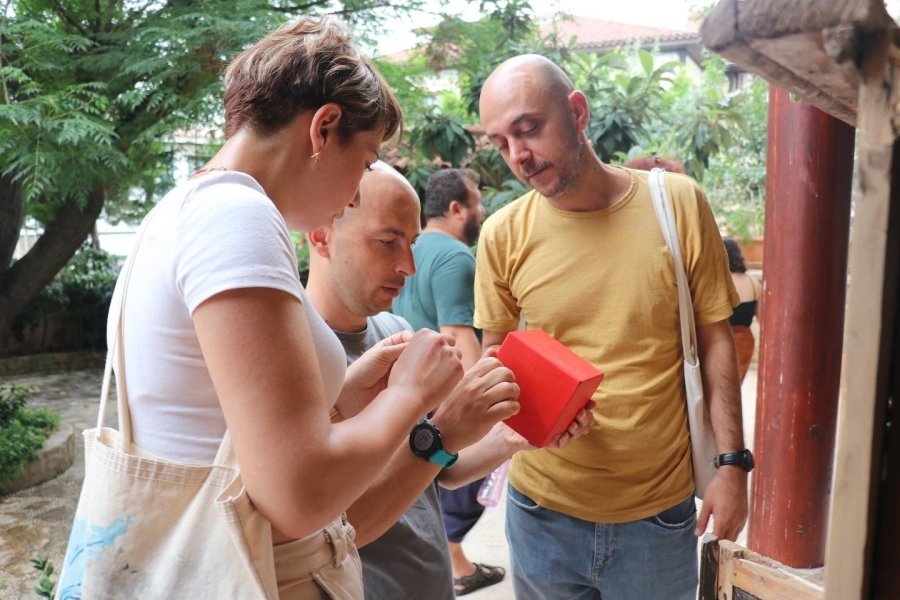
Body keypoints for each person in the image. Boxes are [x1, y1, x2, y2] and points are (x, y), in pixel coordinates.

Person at [78, 17, 465, 598]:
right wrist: (412, 395)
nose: (355, 195)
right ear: (323, 128)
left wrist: (343, 394)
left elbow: (213, 415)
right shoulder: (238, 217)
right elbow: (297, 497)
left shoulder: (182, 208)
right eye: (362, 163)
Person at [476, 54, 751, 599]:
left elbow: (718, 339)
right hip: (540, 513)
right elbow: (495, 361)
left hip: (657, 517)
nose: (519, 157)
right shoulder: (502, 234)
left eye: (528, 129)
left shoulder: (676, 203)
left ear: (577, 112)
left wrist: (732, 466)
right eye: (501, 143)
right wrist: (535, 414)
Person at [305, 162, 595, 598]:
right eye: (387, 242)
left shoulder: (393, 331)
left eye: (413, 244)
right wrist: (442, 434)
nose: (408, 265)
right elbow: (328, 534)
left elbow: (440, 473)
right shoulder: (294, 361)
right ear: (321, 235)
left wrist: (513, 438)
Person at [391, 168, 508, 595]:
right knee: (459, 478)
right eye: (476, 201)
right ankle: (456, 563)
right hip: (441, 396)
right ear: (457, 209)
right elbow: (457, 333)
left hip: (403, 391)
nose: (481, 209)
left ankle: (456, 561)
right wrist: (485, 404)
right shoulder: (456, 256)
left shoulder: (412, 249)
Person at [724, 237, 762, 382]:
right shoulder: (753, 282)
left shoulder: (721, 283)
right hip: (745, 342)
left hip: (723, 340)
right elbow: (761, 319)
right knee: (736, 386)